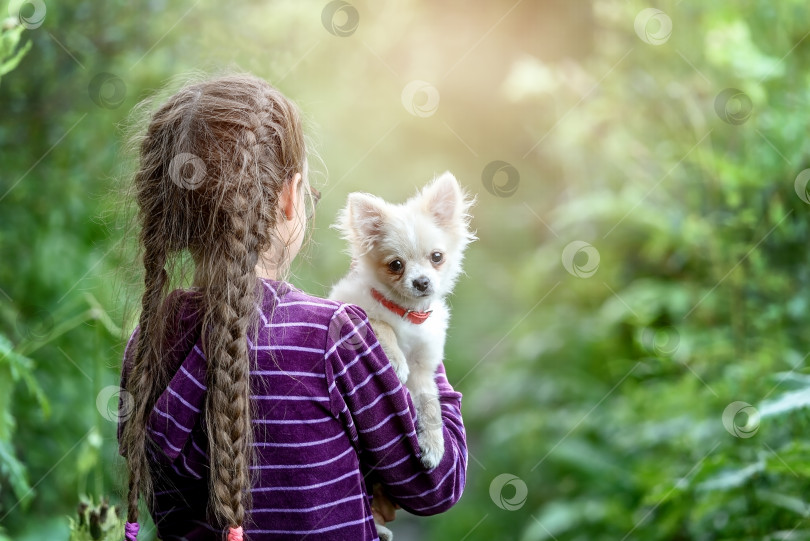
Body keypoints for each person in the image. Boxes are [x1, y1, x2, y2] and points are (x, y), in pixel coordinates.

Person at [117, 74, 467, 541]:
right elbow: (436, 485)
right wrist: (420, 328)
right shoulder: (331, 337)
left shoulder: (150, 343)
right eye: (308, 194)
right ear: (288, 197)